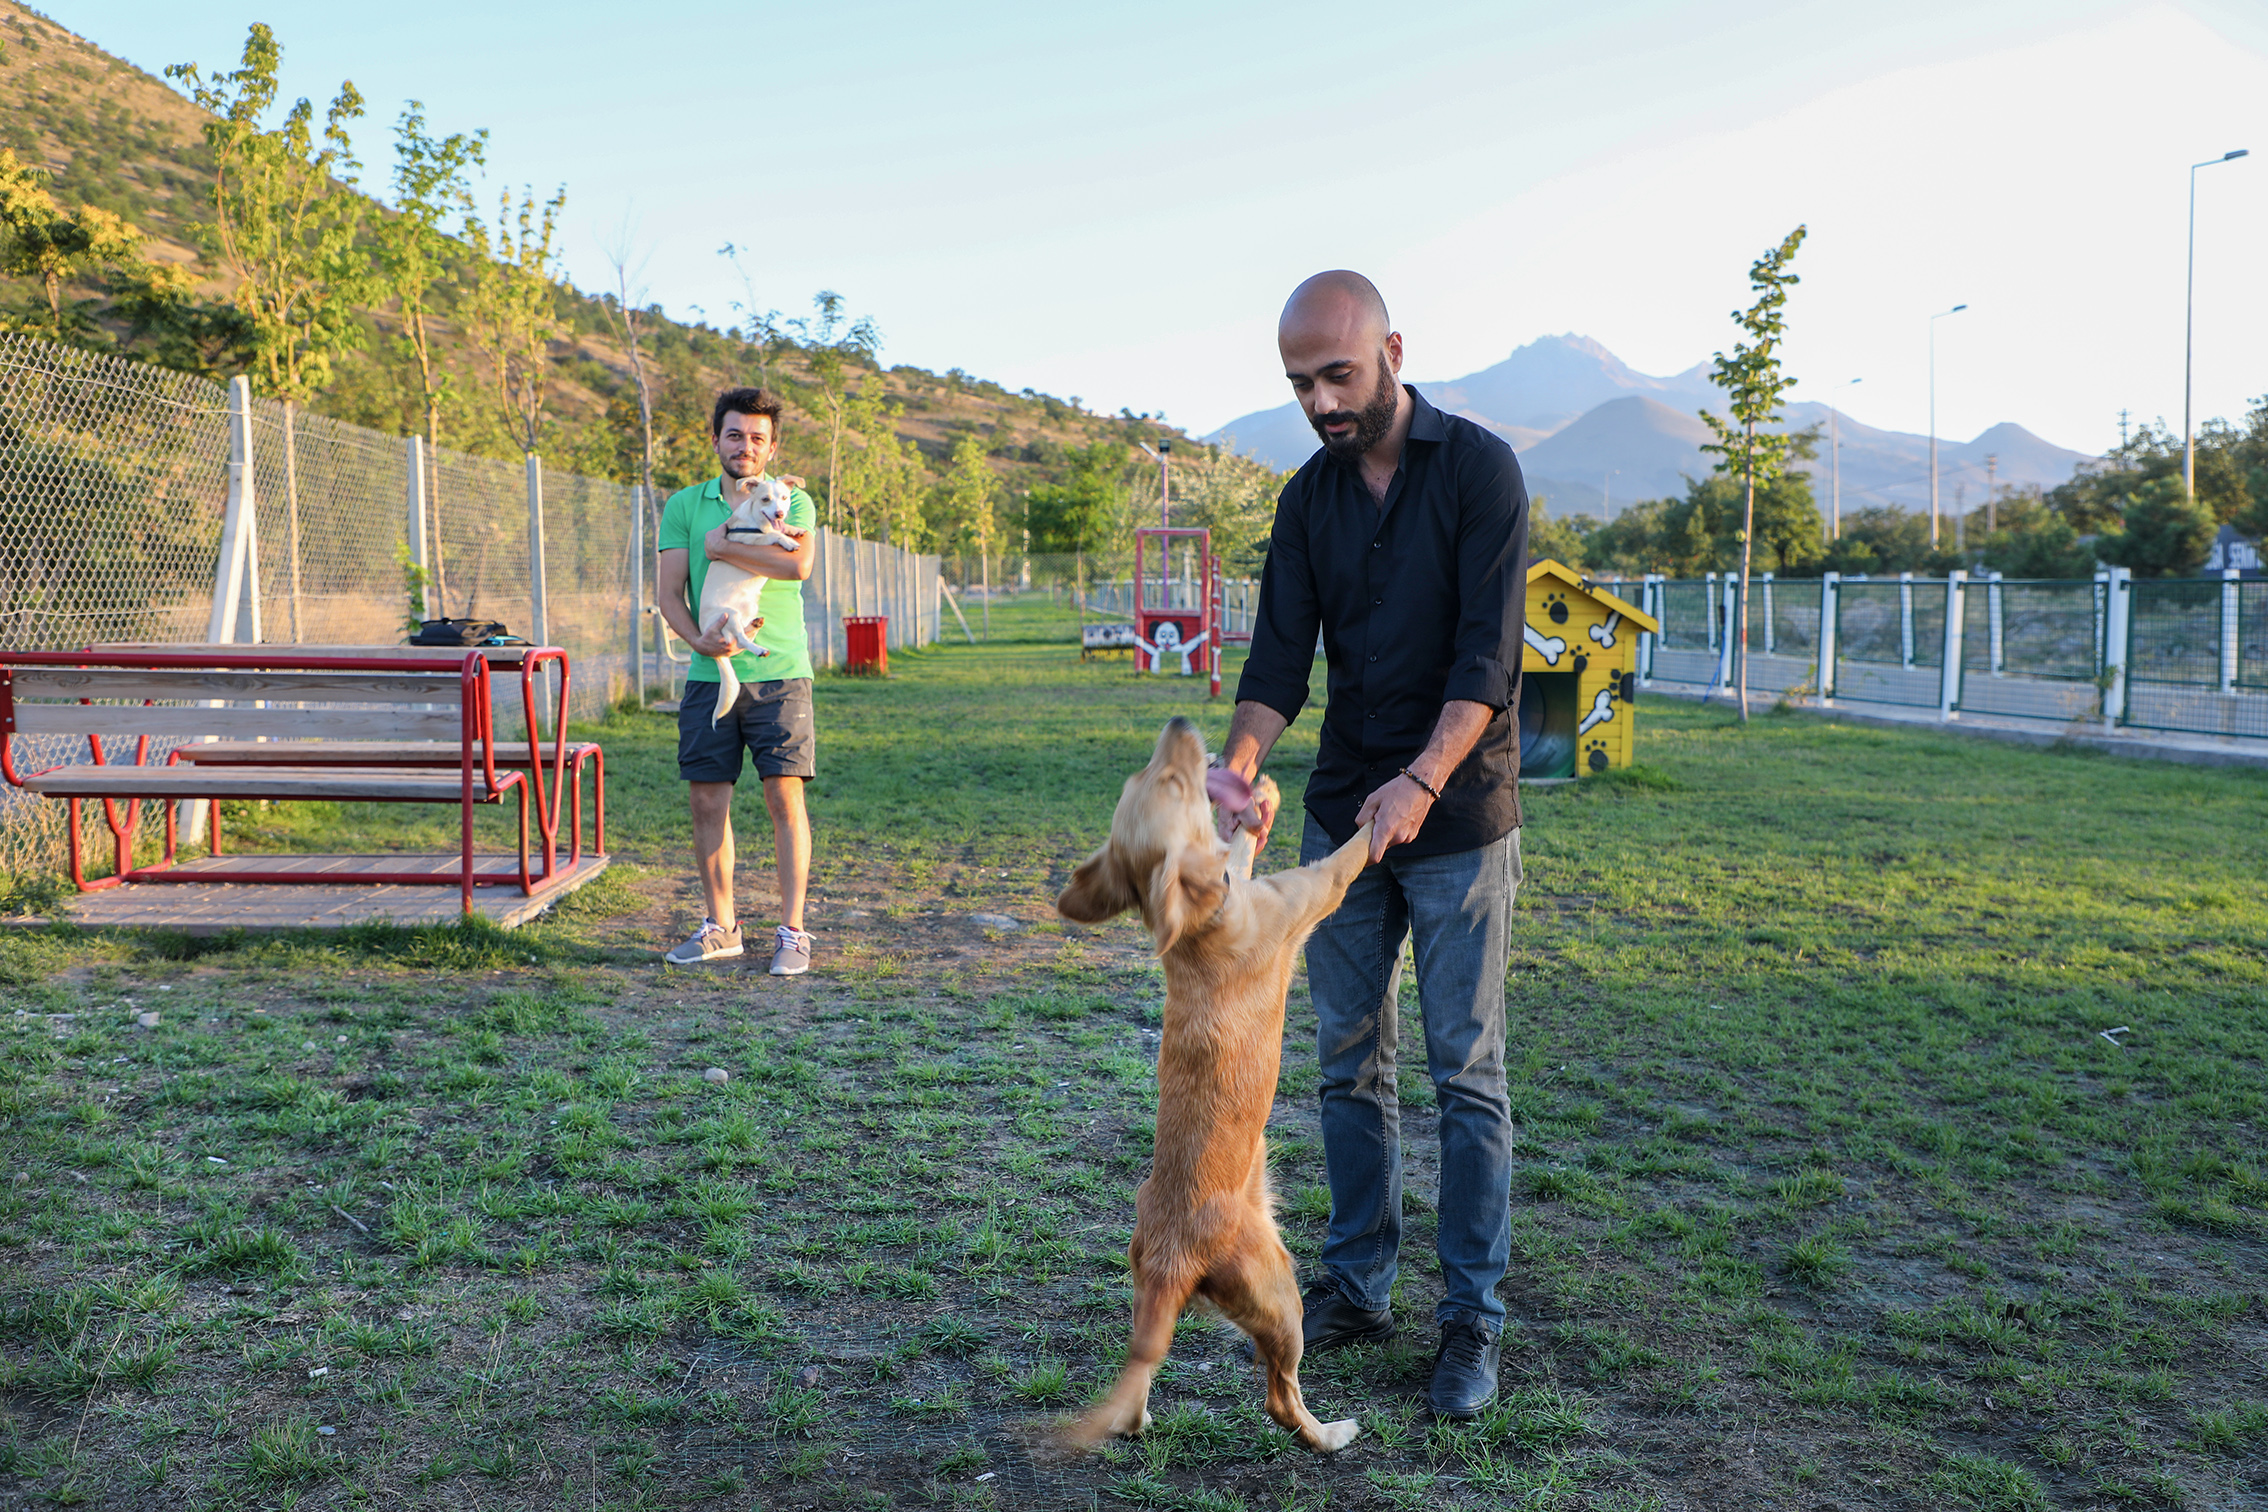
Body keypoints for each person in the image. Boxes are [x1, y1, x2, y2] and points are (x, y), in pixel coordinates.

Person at [1215, 270, 1529, 1419]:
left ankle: (1471, 1322)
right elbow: (1275, 668)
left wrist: (1421, 782)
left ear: (1392, 348)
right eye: (1299, 383)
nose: (1319, 401)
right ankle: (1356, 1284)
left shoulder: (1481, 471)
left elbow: (1487, 666)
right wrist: (1237, 768)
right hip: (1344, 813)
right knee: (1349, 1067)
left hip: (1455, 818)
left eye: (1337, 374)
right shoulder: (1307, 502)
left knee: (1466, 1076)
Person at [655, 387, 821, 976]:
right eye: (734, 434)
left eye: (757, 437)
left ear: (772, 446)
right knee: (707, 800)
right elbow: (669, 593)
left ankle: (793, 932)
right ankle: (721, 926)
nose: (745, 446)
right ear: (717, 438)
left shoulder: (790, 499)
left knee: (785, 796)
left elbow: (796, 565)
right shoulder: (684, 506)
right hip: (709, 670)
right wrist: (696, 640)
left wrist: (723, 545)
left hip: (780, 671)